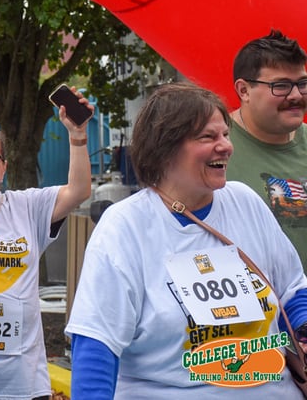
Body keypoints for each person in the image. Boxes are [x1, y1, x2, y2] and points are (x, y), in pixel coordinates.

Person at [65, 82, 307, 398]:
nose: (226, 146)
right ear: (164, 148)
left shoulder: (245, 202)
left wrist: (303, 329)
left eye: (225, 134)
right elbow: (97, 342)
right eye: (207, 137)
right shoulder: (126, 225)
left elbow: (292, 288)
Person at [0, 92, 92, 400]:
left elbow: (79, 190)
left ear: (4, 167)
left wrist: (77, 136)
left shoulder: (28, 205)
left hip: (23, 378)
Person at [225, 30, 307, 270]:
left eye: (302, 83)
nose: (295, 95)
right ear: (244, 90)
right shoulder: (211, 149)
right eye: (280, 86)